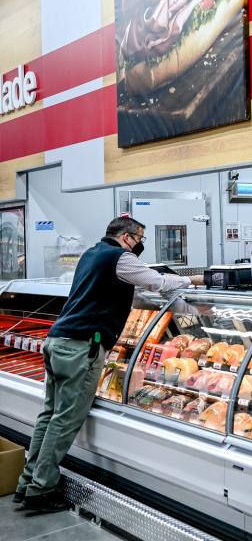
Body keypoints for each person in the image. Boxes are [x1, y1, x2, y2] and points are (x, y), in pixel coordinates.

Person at [15, 217, 202, 513]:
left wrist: (186, 306)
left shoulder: (91, 254)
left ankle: (27, 483)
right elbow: (158, 282)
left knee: (49, 415)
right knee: (64, 420)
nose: (141, 243)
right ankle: (40, 489)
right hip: (82, 347)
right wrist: (196, 281)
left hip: (58, 341)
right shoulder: (120, 258)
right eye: (140, 237)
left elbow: (137, 294)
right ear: (127, 237)